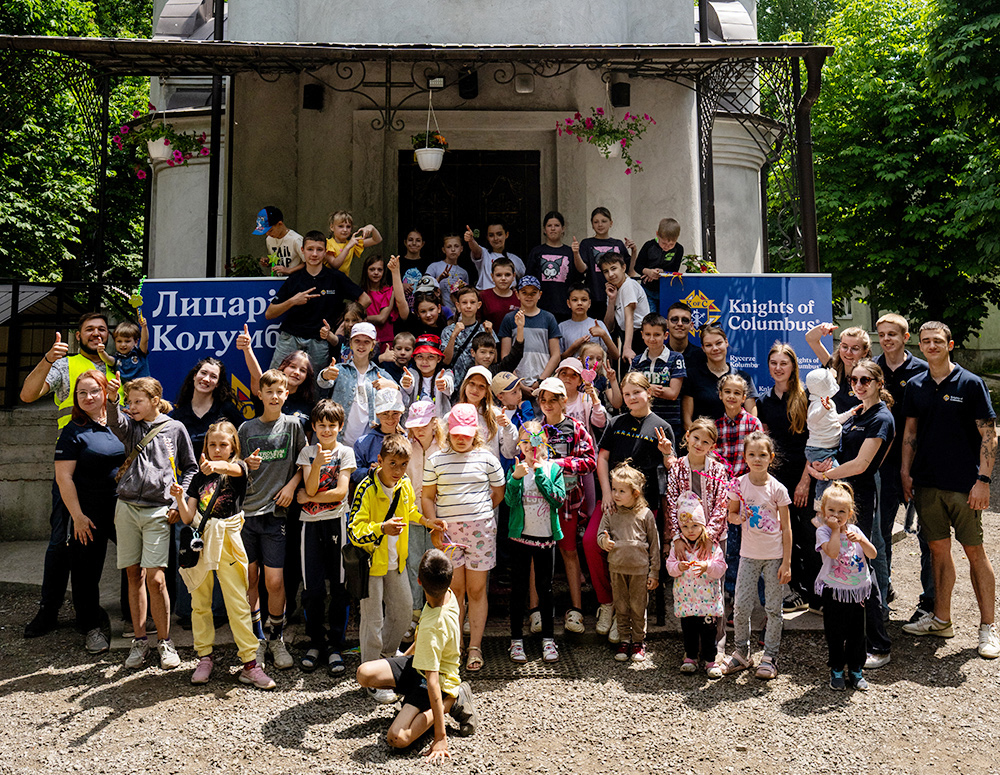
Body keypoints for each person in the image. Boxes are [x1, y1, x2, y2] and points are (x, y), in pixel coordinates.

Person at [900, 321, 998, 658]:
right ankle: (942, 619)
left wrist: (983, 481)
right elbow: (910, 433)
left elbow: (989, 434)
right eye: (925, 341)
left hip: (965, 485)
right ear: (920, 346)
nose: (931, 346)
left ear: (950, 344)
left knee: (975, 553)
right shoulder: (916, 385)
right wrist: (905, 472)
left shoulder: (970, 383)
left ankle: (988, 628)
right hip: (927, 485)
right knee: (938, 552)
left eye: (937, 341)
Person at [20, 313, 114, 638]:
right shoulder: (65, 365)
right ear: (79, 335)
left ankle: (97, 611)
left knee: (114, 543)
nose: (96, 334)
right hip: (72, 469)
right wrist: (48, 358)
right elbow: (27, 395)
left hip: (114, 471)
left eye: (102, 329)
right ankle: (49, 609)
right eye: (90, 329)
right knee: (62, 541)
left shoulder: (118, 367)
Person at [170, 421, 276, 689]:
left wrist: (214, 466)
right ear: (205, 446)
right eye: (212, 444)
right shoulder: (197, 477)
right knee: (200, 601)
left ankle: (250, 663)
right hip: (202, 540)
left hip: (228, 539)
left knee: (238, 601)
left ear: (233, 448)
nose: (217, 449)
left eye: (223, 445)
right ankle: (204, 657)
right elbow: (187, 516)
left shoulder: (238, 469)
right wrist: (180, 498)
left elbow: (232, 468)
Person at [806, 359, 894, 667]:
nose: (858, 385)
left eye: (865, 380)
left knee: (861, 564)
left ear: (878, 382)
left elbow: (861, 465)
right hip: (840, 496)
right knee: (840, 563)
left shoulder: (881, 417)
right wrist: (819, 466)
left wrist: (824, 476)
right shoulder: (860, 412)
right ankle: (853, 639)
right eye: (854, 380)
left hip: (858, 498)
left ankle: (879, 643)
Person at [106, 375, 197, 670]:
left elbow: (191, 468)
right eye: (129, 401)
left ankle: (165, 642)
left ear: (155, 401)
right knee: (134, 574)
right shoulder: (131, 426)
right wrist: (111, 401)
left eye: (137, 401)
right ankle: (140, 640)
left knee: (156, 579)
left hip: (159, 510)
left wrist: (176, 502)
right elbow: (115, 423)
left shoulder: (175, 428)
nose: (131, 407)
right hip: (127, 507)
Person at [355, 549, 479, 760]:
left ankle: (454, 700)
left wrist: (440, 738)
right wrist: (402, 660)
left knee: (397, 738)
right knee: (364, 673)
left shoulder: (434, 626)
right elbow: (440, 559)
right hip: (418, 663)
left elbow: (431, 683)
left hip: (437, 680)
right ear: (450, 578)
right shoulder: (446, 593)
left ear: (419, 582)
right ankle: (413, 703)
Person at [350, 434, 447, 700]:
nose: (398, 470)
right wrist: (382, 527)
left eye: (403, 465)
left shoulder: (404, 484)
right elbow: (354, 530)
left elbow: (410, 512)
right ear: (379, 461)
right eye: (393, 464)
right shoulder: (366, 488)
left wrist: (429, 522)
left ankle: (386, 660)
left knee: (404, 612)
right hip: (372, 564)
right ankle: (371, 676)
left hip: (397, 562)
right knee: (373, 620)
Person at [587, 372, 674, 643]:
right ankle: (608, 604)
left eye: (637, 392)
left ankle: (626, 616)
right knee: (592, 542)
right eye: (627, 394)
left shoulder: (661, 426)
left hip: (642, 507)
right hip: (613, 498)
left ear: (648, 393)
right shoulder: (615, 423)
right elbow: (602, 459)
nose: (632, 398)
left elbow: (672, 468)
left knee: (632, 547)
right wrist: (606, 493)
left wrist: (668, 452)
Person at [421, 404, 506, 672]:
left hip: (480, 530)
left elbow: (498, 492)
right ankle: (454, 647)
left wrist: (477, 513)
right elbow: (427, 496)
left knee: (477, 590)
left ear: (475, 433)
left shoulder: (487, 458)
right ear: (448, 432)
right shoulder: (436, 459)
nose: (460, 438)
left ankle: (475, 646)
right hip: (449, 533)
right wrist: (434, 527)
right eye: (456, 433)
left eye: (466, 434)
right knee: (454, 590)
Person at [53, 369, 126, 654]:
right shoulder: (74, 430)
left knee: (134, 563)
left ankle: (135, 618)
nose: (88, 397)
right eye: (81, 393)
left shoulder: (121, 422)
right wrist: (78, 516)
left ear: (105, 391)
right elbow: (64, 478)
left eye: (94, 390)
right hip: (89, 513)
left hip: (124, 508)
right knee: (85, 572)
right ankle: (90, 627)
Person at [238, 369, 306, 670]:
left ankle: (276, 637)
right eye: (269, 392)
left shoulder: (293, 426)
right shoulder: (246, 428)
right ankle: (257, 640)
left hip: (275, 516)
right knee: (249, 580)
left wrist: (291, 487)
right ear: (260, 394)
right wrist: (244, 464)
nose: (275, 396)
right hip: (245, 517)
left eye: (280, 391)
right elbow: (233, 466)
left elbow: (305, 462)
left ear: (287, 394)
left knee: (274, 580)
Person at [722, 432, 792, 680]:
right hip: (748, 556)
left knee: (773, 608)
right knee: (741, 606)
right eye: (752, 454)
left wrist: (787, 562)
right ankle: (742, 653)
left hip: (774, 558)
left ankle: (770, 656)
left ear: (771, 457)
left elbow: (787, 528)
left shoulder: (778, 490)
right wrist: (737, 517)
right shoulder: (738, 485)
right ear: (745, 457)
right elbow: (731, 514)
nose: (757, 459)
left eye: (762, 455)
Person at [295, 400, 356, 676]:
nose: (327, 430)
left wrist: (309, 497)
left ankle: (336, 645)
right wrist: (317, 464)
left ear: (340, 427)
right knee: (313, 589)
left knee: (340, 587)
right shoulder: (307, 452)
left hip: (336, 524)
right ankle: (316, 642)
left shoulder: (346, 452)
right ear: (314, 427)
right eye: (322, 426)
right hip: (310, 525)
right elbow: (308, 484)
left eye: (332, 426)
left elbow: (341, 493)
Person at [532, 376, 598, 632]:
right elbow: (530, 460)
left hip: (568, 500)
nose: (547, 404)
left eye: (552, 399)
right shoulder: (536, 429)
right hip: (538, 500)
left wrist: (559, 463)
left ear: (563, 401)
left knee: (569, 551)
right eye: (543, 400)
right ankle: (536, 610)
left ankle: (577, 610)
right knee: (535, 554)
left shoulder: (577, 428)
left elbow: (589, 461)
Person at [874, 313, 929, 616]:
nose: (886, 339)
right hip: (881, 465)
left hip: (919, 465)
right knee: (880, 535)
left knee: (926, 536)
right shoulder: (871, 369)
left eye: (892, 334)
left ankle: (929, 602)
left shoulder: (922, 370)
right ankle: (884, 589)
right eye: (882, 334)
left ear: (905, 337)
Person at [757, 342, 816, 613]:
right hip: (777, 481)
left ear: (793, 367)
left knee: (809, 533)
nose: (778, 368)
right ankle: (794, 593)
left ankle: (817, 594)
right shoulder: (764, 402)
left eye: (784, 363)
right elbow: (765, 446)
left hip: (805, 477)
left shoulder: (807, 399)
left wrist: (805, 481)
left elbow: (816, 443)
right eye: (774, 363)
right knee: (783, 536)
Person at [265, 229, 370, 377]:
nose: (314, 254)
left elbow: (365, 299)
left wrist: (344, 323)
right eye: (310, 249)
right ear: (302, 251)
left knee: (317, 388)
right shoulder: (294, 279)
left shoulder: (335, 278)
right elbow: (269, 313)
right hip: (291, 337)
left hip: (319, 341)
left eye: (319, 250)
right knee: (274, 380)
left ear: (325, 251)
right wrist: (293, 301)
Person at [505, 421, 566, 663]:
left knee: (545, 588)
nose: (531, 448)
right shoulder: (516, 469)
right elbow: (510, 502)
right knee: (518, 588)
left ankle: (548, 639)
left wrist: (540, 473)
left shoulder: (553, 469)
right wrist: (516, 479)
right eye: (526, 443)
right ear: (520, 444)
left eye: (536, 442)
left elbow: (557, 499)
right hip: (520, 537)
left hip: (545, 538)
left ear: (544, 442)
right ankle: (516, 640)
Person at [814, 481, 877, 691]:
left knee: (858, 633)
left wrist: (861, 540)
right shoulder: (823, 532)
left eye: (841, 511)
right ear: (823, 512)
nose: (836, 515)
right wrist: (834, 531)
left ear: (849, 513)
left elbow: (873, 554)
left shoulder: (855, 531)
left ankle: (856, 669)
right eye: (831, 510)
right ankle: (837, 669)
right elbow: (831, 553)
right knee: (835, 633)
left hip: (857, 590)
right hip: (834, 590)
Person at [597, 462, 660, 662]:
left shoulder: (645, 514)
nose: (615, 494)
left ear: (635, 492)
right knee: (622, 606)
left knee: (638, 607)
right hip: (617, 567)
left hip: (640, 571)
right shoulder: (610, 513)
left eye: (621, 491)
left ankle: (639, 641)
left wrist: (654, 572)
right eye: (614, 489)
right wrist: (604, 542)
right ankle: (624, 640)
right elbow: (600, 535)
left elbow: (654, 545)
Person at [714, 374, 763, 603]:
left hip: (750, 494)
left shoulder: (753, 425)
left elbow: (760, 460)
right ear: (721, 395)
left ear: (744, 397)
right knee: (732, 546)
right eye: (727, 392)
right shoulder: (716, 427)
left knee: (753, 544)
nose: (732, 396)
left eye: (737, 393)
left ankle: (756, 593)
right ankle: (734, 593)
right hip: (726, 496)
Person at [666, 497, 725, 677]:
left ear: (702, 526)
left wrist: (708, 566)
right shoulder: (677, 548)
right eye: (685, 527)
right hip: (687, 600)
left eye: (695, 526)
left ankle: (710, 660)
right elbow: (670, 567)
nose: (690, 531)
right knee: (689, 631)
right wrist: (678, 568)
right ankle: (690, 657)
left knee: (709, 632)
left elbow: (721, 568)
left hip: (707, 601)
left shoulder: (712, 547)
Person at [403, 401, 444, 640]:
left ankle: (436, 611)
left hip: (438, 516)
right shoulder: (408, 448)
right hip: (412, 515)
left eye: (424, 425)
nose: (419, 430)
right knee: (413, 563)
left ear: (433, 423)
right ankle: (414, 613)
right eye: (415, 426)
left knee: (436, 563)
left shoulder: (444, 447)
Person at [318, 321, 395, 446]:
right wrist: (325, 375)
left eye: (366, 342)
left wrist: (394, 386)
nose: (361, 345)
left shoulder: (380, 374)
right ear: (351, 344)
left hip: (369, 444)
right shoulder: (340, 369)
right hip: (339, 441)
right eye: (357, 341)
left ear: (373, 345)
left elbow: (400, 392)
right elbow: (323, 382)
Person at [681, 324, 757, 427]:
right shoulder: (692, 376)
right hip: (704, 441)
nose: (715, 348)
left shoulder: (743, 377)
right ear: (703, 348)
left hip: (737, 440)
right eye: (709, 345)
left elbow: (752, 420)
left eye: (718, 343)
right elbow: (687, 422)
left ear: (726, 342)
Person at [237, 332, 317, 429]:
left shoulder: (309, 405)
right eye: (292, 366)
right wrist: (247, 349)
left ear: (307, 377)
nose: (297, 372)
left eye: (303, 370)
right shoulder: (267, 392)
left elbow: (307, 439)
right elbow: (257, 377)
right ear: (283, 367)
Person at [804, 366, 858, 508]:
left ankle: (824, 507)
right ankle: (820, 508)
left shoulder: (829, 403)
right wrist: (823, 408)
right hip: (819, 450)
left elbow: (835, 420)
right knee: (837, 477)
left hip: (829, 449)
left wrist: (850, 413)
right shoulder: (817, 404)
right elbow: (812, 418)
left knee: (827, 479)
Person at [498, 276, 562, 391]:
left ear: (540, 295)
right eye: (524, 292)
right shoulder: (509, 319)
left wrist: (541, 380)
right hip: (515, 382)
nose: (529, 296)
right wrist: (518, 383)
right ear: (517, 294)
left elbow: (556, 355)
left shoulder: (548, 318)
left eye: (533, 293)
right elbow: (505, 356)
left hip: (543, 381)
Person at [630, 312, 686, 444]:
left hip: (670, 422)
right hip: (642, 421)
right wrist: (650, 389)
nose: (652, 339)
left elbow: (672, 393)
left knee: (669, 460)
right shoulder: (636, 361)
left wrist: (643, 390)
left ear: (665, 335)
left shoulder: (676, 358)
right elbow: (630, 391)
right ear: (642, 334)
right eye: (648, 334)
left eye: (657, 334)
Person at [571, 207, 632, 321]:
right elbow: (582, 269)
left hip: (617, 296)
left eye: (604, 221)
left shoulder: (618, 244)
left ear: (611, 223)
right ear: (592, 225)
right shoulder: (587, 243)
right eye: (596, 222)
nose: (600, 225)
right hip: (594, 295)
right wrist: (576, 253)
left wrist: (634, 251)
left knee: (613, 332)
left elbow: (629, 270)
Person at [452, 366, 517, 464]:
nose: (475, 389)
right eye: (472, 384)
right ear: (465, 385)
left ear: (487, 392)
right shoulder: (453, 414)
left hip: (488, 474)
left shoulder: (496, 415)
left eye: (481, 386)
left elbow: (510, 453)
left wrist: (508, 427)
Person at [805, 323, 872, 412]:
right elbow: (810, 338)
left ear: (865, 352)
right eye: (844, 347)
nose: (848, 352)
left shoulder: (869, 377)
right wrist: (822, 328)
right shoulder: (832, 365)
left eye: (855, 348)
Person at [352, 387, 406, 494]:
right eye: (385, 413)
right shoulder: (363, 443)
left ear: (401, 413)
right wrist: (370, 471)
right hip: (372, 498)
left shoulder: (408, 440)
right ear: (377, 414)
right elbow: (354, 472)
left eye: (395, 413)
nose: (390, 418)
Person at [442, 286, 496, 391]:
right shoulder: (448, 331)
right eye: (464, 302)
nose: (468, 306)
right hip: (456, 386)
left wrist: (490, 334)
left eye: (472, 302)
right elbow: (446, 361)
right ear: (458, 306)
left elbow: (494, 360)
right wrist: (454, 336)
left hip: (478, 386)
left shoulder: (484, 328)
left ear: (479, 305)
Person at [525, 211, 575, 322]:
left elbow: (575, 279)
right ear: (544, 229)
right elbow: (529, 280)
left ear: (563, 229)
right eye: (549, 226)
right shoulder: (536, 252)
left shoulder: (570, 252)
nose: (553, 229)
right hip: (541, 307)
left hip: (565, 308)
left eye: (556, 225)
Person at [600, 251, 649, 363]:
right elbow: (608, 327)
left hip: (639, 337)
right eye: (606, 271)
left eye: (613, 268)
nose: (610, 274)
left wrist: (627, 347)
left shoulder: (628, 285)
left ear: (623, 267)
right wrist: (612, 300)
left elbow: (629, 317)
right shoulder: (614, 289)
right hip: (624, 336)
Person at [631, 217, 684, 310]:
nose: (667, 247)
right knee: (651, 317)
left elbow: (675, 269)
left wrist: (661, 272)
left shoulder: (679, 249)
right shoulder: (649, 246)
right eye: (663, 243)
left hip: (667, 290)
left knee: (665, 315)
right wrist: (647, 271)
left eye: (672, 244)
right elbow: (638, 266)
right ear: (657, 235)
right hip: (648, 290)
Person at [400, 334, 454, 421]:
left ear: (439, 359)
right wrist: (406, 384)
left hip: (438, 427)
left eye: (431, 357)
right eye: (420, 356)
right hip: (414, 426)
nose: (424, 361)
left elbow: (449, 383)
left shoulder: (444, 374)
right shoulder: (411, 373)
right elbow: (407, 385)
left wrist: (444, 384)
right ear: (414, 358)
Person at [558, 283, 619, 361]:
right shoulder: (562, 327)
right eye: (575, 300)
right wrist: (574, 347)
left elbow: (616, 355)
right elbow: (559, 359)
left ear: (589, 303)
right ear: (569, 303)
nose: (579, 303)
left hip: (595, 371)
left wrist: (604, 335)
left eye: (584, 300)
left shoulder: (598, 324)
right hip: (571, 372)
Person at [361, 254, 409, 348]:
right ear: (366, 271)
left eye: (380, 269)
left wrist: (360, 319)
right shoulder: (361, 293)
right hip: (365, 338)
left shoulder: (389, 291)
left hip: (385, 340)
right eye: (372, 269)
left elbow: (382, 318)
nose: (376, 273)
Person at [466, 221, 525, 290]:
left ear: (506, 235)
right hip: (487, 298)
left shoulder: (515, 260)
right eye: (491, 235)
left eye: (499, 234)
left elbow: (524, 282)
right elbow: (476, 250)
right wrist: (471, 240)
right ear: (487, 237)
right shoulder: (485, 254)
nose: (495, 239)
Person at [325, 210, 382, 276]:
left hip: (343, 282)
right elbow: (335, 265)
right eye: (341, 226)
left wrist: (372, 227)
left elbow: (377, 240)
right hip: (328, 282)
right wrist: (348, 247)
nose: (345, 230)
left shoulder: (353, 243)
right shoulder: (327, 243)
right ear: (332, 227)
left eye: (348, 227)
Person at [427, 232, 472, 313]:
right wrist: (439, 279)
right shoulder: (434, 267)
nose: (453, 249)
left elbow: (466, 294)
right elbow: (425, 287)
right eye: (449, 247)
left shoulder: (463, 272)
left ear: (461, 249)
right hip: (439, 311)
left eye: (456, 246)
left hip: (458, 312)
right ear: (443, 250)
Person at [252, 205, 303, 276]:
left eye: (270, 230)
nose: (267, 234)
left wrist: (289, 270)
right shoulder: (269, 239)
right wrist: (268, 261)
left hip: (295, 280)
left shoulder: (296, 239)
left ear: (280, 224)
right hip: (277, 280)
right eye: (265, 232)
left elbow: (308, 262)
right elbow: (277, 258)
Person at [97, 318, 149, 382]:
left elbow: (144, 341)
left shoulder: (139, 353)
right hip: (127, 390)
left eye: (127, 341)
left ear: (135, 342)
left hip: (144, 387)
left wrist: (144, 327)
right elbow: (107, 359)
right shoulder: (117, 359)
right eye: (119, 341)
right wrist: (101, 352)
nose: (123, 344)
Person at [479, 257, 522, 330]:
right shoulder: (484, 296)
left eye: (507, 275)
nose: (503, 278)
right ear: (492, 277)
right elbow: (477, 321)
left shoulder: (519, 297)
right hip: (490, 339)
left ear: (513, 276)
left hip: (515, 339)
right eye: (498, 275)